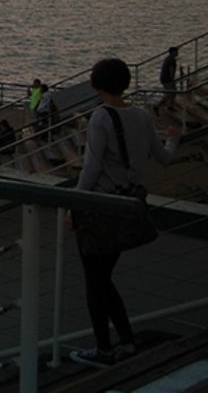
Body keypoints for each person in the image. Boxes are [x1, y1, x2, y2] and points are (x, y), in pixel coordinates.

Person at [69, 58, 179, 368]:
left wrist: (74, 204)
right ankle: (126, 342)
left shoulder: (100, 118)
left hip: (100, 209)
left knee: (95, 283)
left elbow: (90, 169)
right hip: (128, 207)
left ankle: (105, 349)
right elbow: (164, 158)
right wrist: (173, 137)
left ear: (95, 84)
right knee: (104, 279)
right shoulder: (142, 116)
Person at [155, 46, 179, 115]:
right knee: (169, 93)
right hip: (167, 79)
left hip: (164, 78)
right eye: (176, 51)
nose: (177, 53)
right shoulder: (171, 59)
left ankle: (170, 105)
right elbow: (171, 69)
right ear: (173, 52)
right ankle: (157, 106)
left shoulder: (168, 58)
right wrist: (172, 79)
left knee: (174, 91)